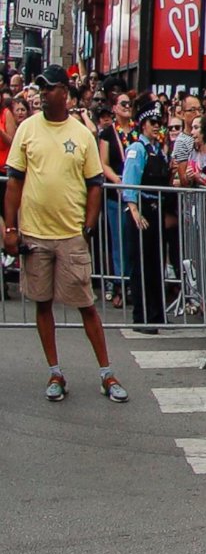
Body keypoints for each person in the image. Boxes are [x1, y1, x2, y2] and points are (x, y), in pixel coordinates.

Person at [5, 67, 124, 402]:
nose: (42, 94)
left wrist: (88, 226)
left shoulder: (82, 134)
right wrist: (11, 228)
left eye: (49, 88)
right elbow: (14, 182)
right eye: (40, 89)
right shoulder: (28, 129)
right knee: (43, 304)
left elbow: (95, 186)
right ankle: (55, 372)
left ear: (65, 93)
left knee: (86, 305)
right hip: (35, 235)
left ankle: (106, 372)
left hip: (71, 233)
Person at [118, 104, 177, 333]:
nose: (157, 127)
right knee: (141, 265)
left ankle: (157, 314)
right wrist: (133, 209)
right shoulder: (137, 148)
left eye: (159, 123)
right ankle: (141, 316)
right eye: (153, 123)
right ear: (143, 124)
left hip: (156, 209)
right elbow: (129, 181)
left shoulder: (158, 151)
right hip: (141, 208)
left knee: (156, 264)